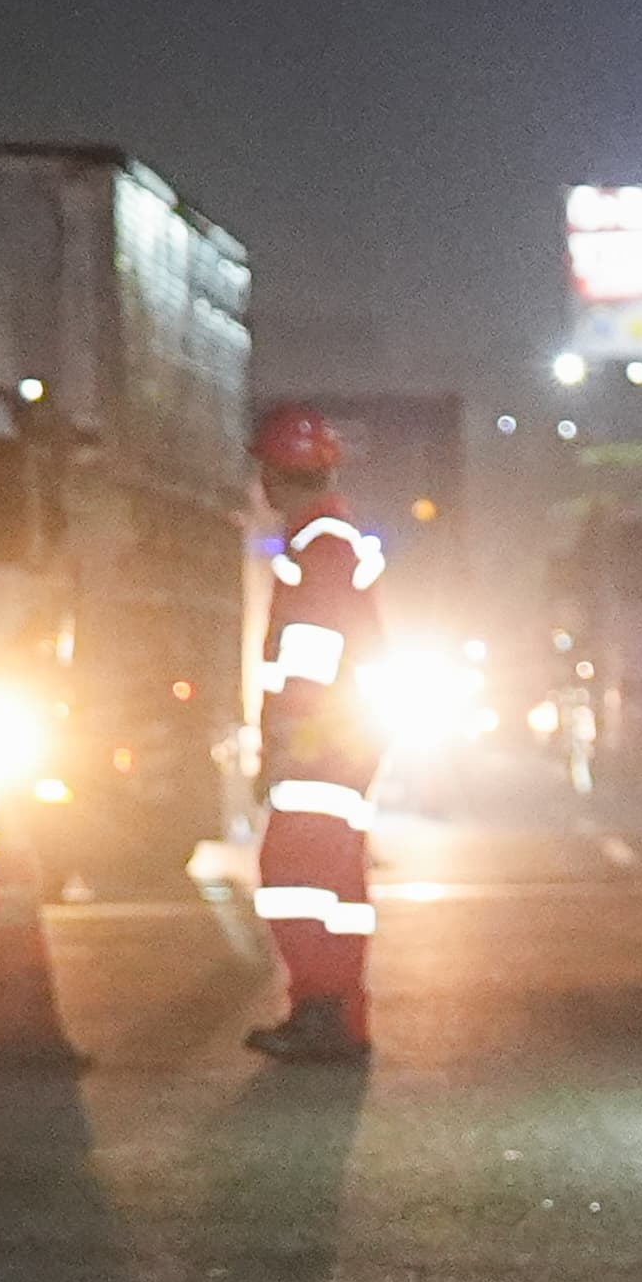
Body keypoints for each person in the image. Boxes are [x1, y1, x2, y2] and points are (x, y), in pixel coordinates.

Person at [245, 404, 387, 1063]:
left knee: (293, 875)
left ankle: (320, 1009)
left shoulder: (319, 543)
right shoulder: (331, 536)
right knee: (334, 879)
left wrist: (289, 739)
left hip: (322, 738)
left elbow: (309, 651)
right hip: (344, 734)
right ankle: (336, 1016)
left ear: (277, 473)